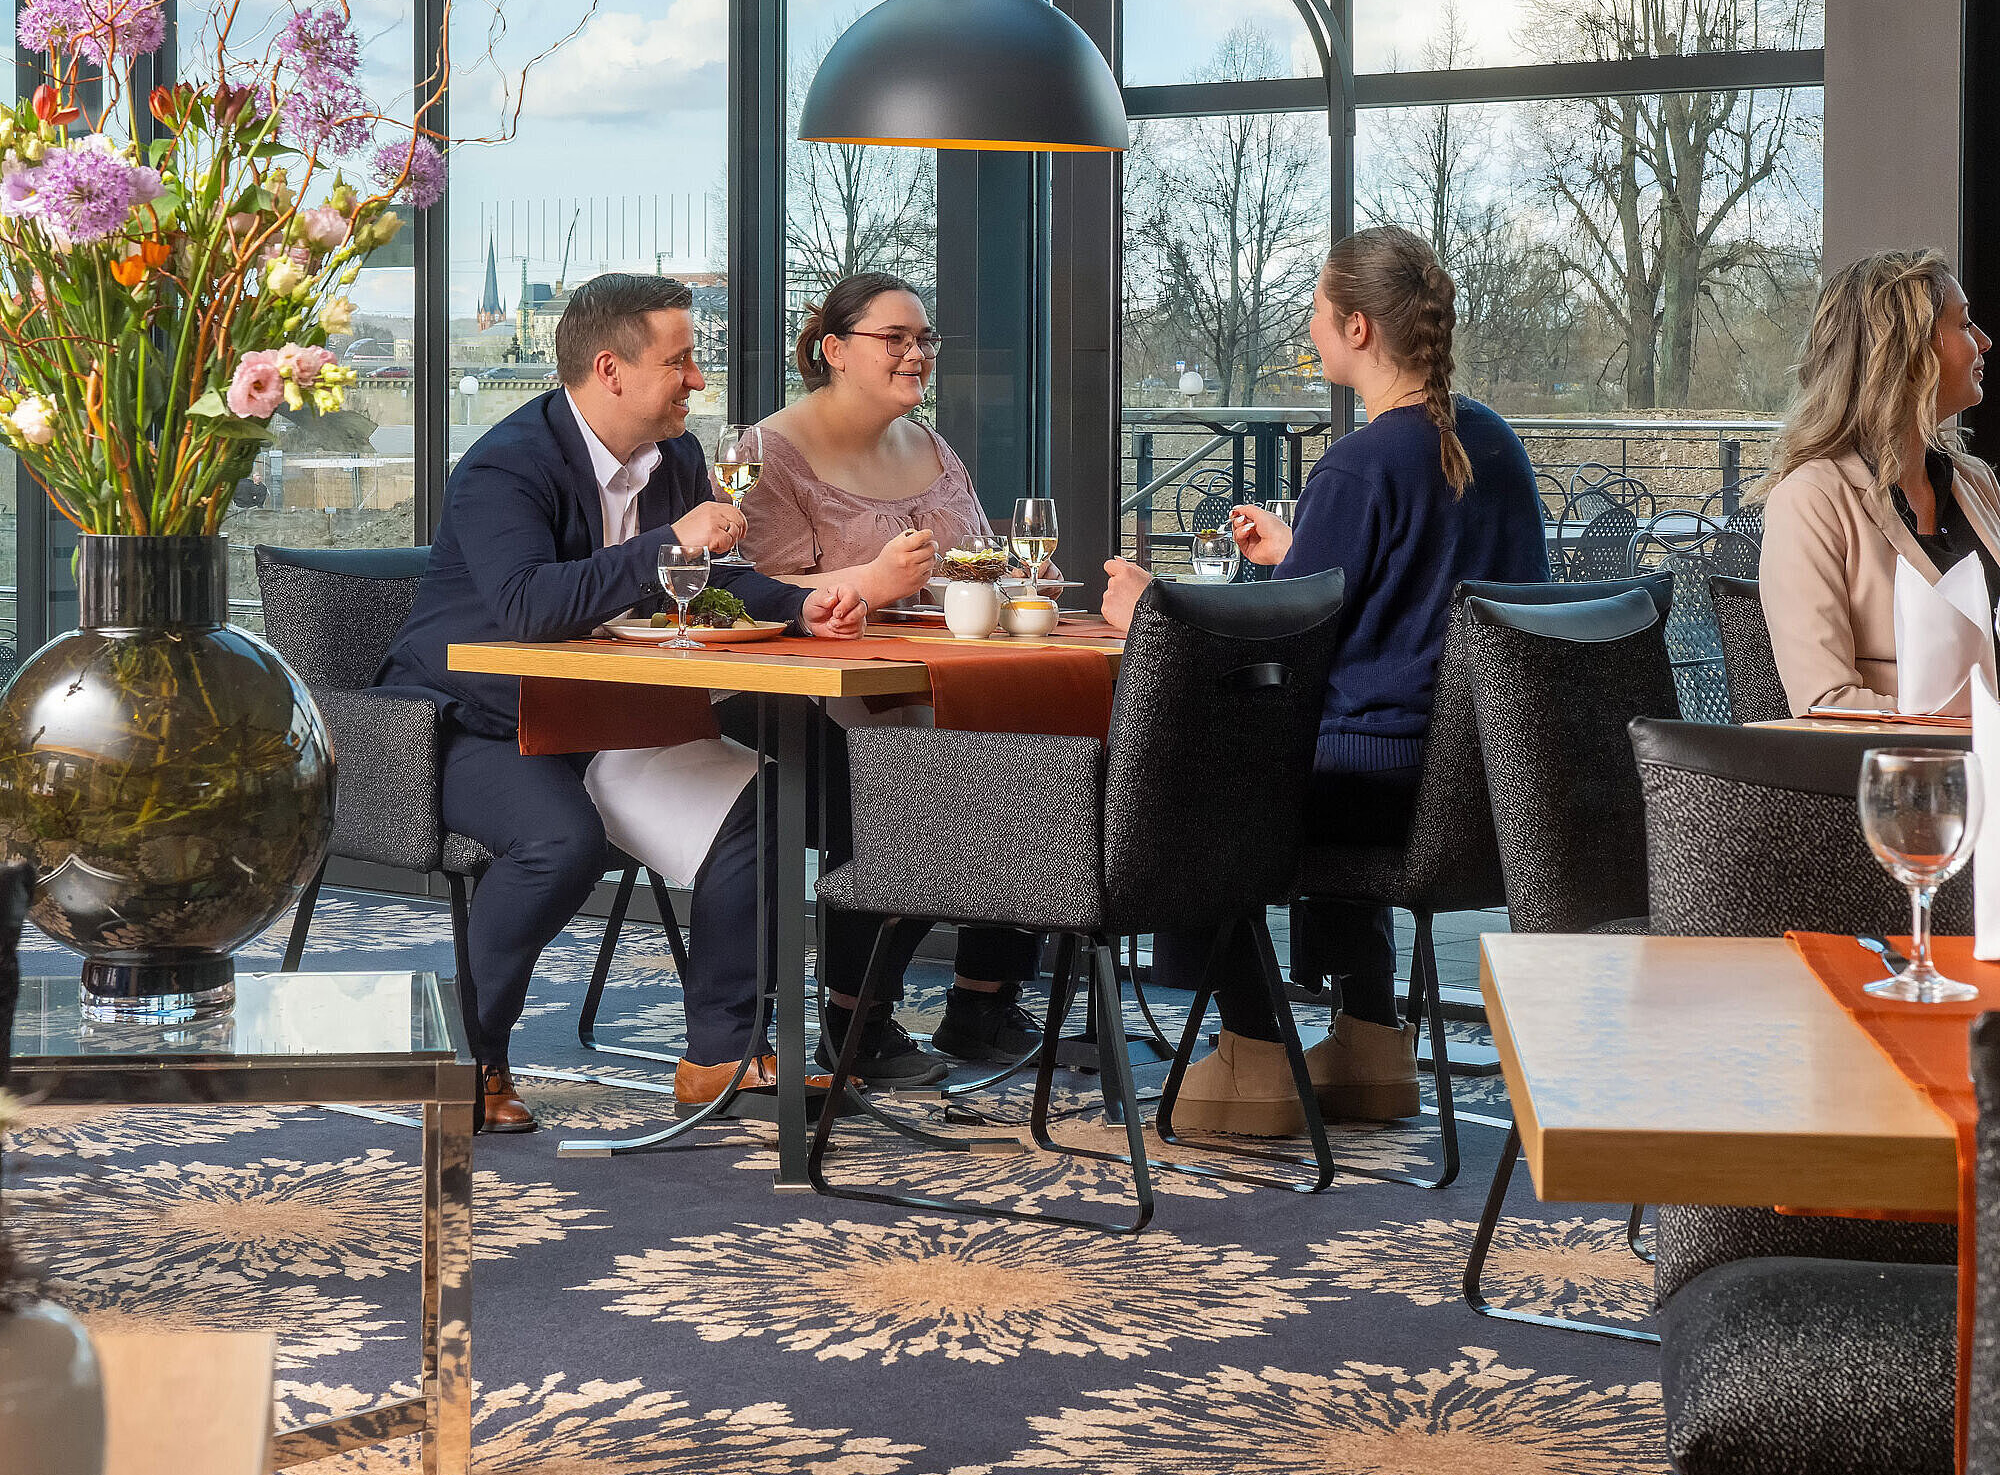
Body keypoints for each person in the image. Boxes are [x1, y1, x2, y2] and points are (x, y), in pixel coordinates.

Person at [377, 273, 866, 1131]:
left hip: (606, 718)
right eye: (680, 363)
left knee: (763, 807)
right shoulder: (504, 464)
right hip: (471, 720)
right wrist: (669, 540)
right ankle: (468, 1060)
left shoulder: (676, 457)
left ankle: (721, 1056)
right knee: (558, 842)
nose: (697, 380)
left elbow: (715, 576)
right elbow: (528, 606)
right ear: (610, 369)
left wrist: (802, 606)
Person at [1099, 228, 1547, 1136]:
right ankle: (1372, 1041)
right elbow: (1413, 604)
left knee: (1185, 786)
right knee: (1315, 751)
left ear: (1356, 327)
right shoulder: (1494, 442)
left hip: (1372, 779)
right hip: (1472, 783)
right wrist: (1303, 552)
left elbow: (1287, 654)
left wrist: (1156, 612)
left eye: (1314, 310)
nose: (1308, 326)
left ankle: (1254, 1050)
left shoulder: (1360, 463)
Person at [742, 270, 1043, 1082]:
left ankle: (983, 1002)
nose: (917, 354)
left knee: (1041, 754)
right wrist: (870, 581)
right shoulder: (768, 453)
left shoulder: (932, 446)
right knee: (911, 778)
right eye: (895, 339)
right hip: (806, 690)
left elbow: (977, 562)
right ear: (834, 350)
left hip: (929, 676)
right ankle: (856, 1022)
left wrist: (1013, 578)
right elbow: (752, 591)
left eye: (924, 339)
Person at [1760, 249, 1999, 714]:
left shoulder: (1976, 482)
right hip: (1901, 761)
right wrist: (1982, 726)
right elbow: (1825, 705)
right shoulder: (1809, 501)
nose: (1984, 342)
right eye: (1965, 324)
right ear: (1909, 352)